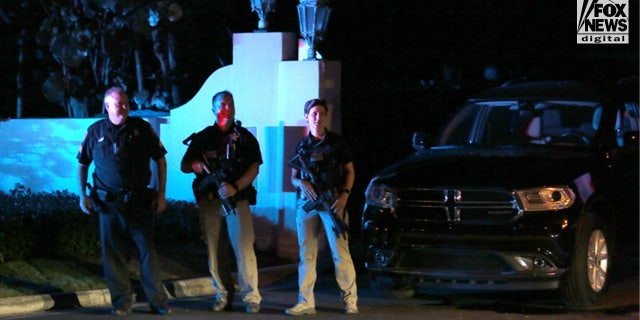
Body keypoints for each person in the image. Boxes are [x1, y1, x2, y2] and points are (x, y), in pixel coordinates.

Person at [77, 87, 170, 316]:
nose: (124, 107)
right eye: (119, 103)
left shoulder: (142, 128)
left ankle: (158, 302)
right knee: (113, 256)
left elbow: (161, 161)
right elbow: (82, 164)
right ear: (107, 106)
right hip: (109, 204)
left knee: (148, 254)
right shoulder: (95, 131)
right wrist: (82, 195)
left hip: (139, 203)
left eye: (126, 103)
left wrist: (161, 195)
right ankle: (122, 303)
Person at [180, 90, 262, 314]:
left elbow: (254, 167)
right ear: (214, 109)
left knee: (244, 249)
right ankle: (223, 295)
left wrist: (235, 186)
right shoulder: (203, 137)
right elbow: (184, 165)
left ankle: (251, 298)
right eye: (222, 104)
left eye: (230, 103)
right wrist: (195, 165)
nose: (227, 107)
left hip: (237, 199)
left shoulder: (244, 137)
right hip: (210, 201)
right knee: (215, 251)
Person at [286, 98, 358, 315]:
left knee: (340, 253)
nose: (318, 117)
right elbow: (293, 177)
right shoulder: (302, 145)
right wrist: (302, 182)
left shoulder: (336, 142)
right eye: (314, 113)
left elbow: (350, 171)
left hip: (333, 202)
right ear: (307, 116)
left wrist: (345, 195)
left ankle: (350, 300)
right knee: (307, 253)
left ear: (325, 116)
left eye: (321, 113)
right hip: (308, 203)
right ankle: (305, 301)